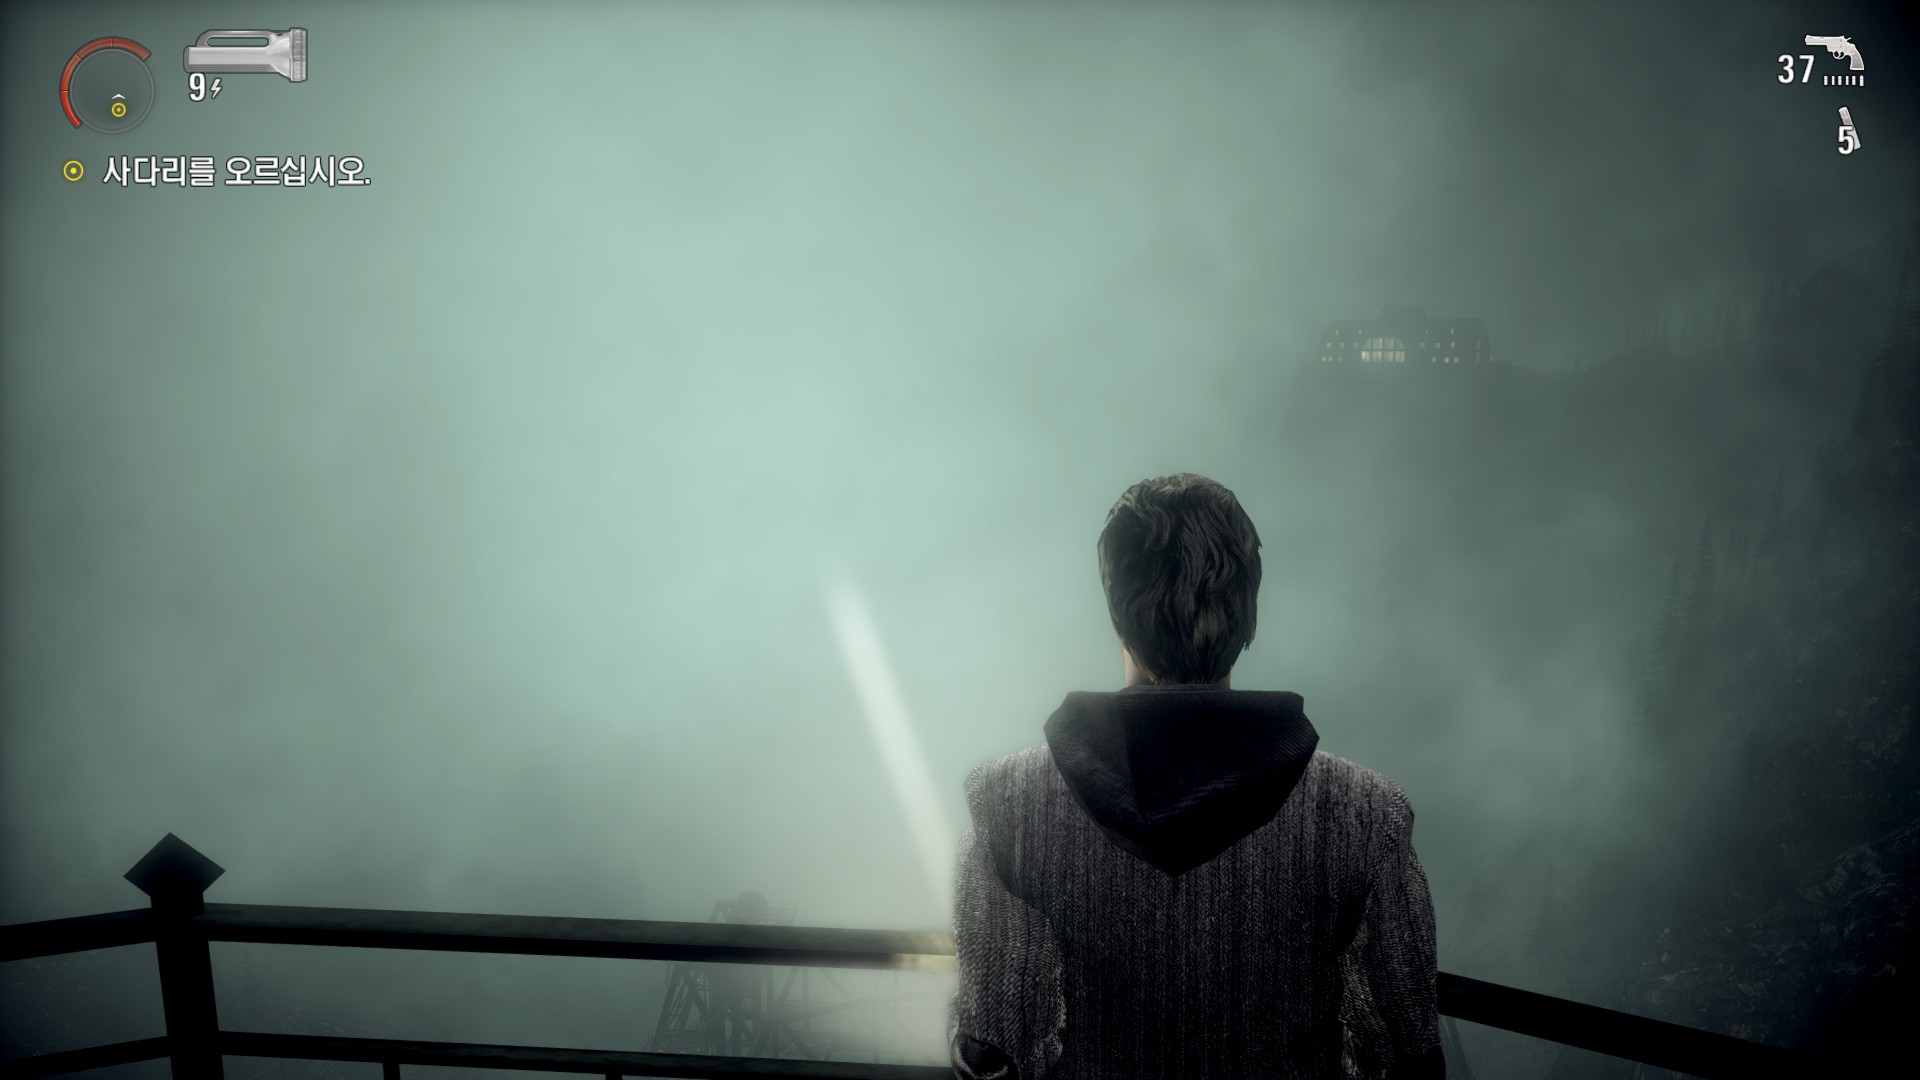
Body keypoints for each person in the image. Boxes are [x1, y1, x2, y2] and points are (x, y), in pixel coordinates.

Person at [948, 473, 1444, 1079]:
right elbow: (1407, 1050)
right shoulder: (1366, 814)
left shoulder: (1005, 804)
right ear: (1248, 618)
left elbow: (992, 1051)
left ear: (1115, 612)